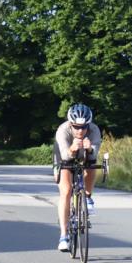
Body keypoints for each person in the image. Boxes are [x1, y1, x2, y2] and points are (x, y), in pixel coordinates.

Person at [54, 103, 102, 251]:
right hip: (64, 158)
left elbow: (95, 155)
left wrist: (89, 149)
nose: (80, 131)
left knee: (92, 163)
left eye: (83, 127)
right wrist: (72, 149)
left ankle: (87, 197)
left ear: (89, 124)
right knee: (66, 191)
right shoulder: (63, 130)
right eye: (76, 127)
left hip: (85, 158)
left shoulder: (94, 130)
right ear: (70, 124)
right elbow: (64, 156)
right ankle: (63, 236)